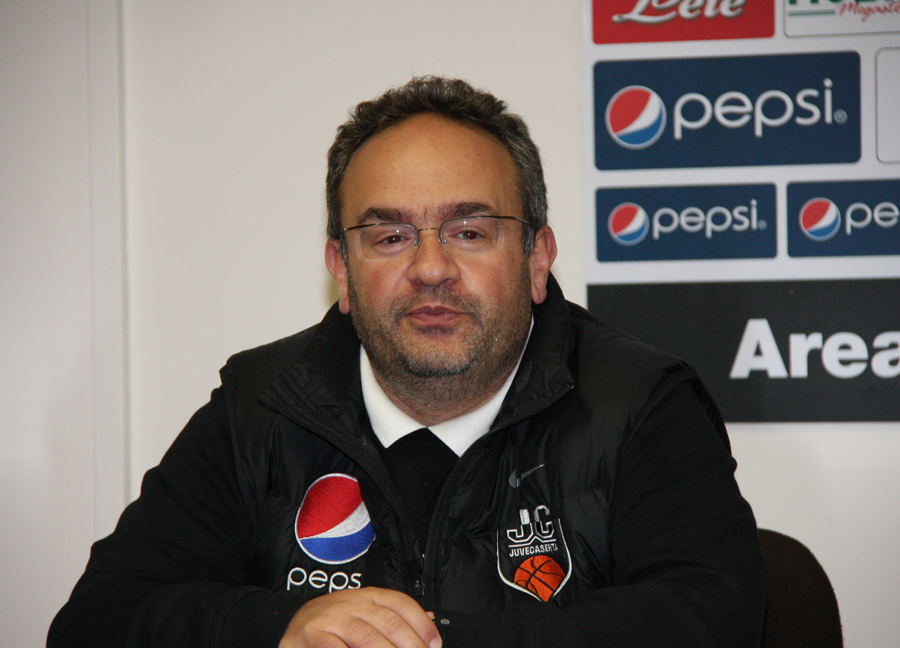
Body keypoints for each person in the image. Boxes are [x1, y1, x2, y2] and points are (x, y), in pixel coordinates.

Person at [48, 76, 765, 648]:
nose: (430, 269)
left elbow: (712, 618)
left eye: (469, 231)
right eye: (390, 237)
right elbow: (97, 620)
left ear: (537, 258)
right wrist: (279, 629)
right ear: (341, 269)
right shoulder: (259, 406)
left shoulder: (639, 402)